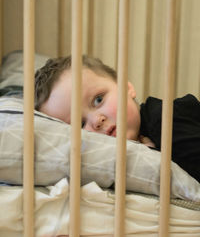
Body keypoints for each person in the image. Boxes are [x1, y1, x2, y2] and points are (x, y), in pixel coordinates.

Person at [35, 55, 200, 183]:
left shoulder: (165, 119)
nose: (97, 120)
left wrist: (154, 155)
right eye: (80, 124)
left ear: (127, 88)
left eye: (98, 100)